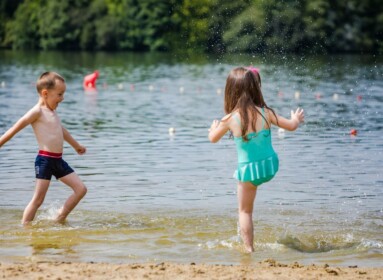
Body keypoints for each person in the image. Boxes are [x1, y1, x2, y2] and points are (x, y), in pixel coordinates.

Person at [208, 66, 304, 252]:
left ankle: (249, 248)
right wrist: (296, 118)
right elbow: (291, 126)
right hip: (270, 166)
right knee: (248, 204)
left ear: (230, 91)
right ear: (255, 88)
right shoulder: (266, 112)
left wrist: (213, 129)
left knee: (245, 211)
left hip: (249, 172)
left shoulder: (229, 119)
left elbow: (213, 139)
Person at [0, 72, 87, 225]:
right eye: (59, 94)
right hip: (45, 160)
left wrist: (76, 145)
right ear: (45, 93)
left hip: (58, 161)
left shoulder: (52, 111)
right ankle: (25, 228)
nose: (62, 98)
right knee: (38, 200)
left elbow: (61, 130)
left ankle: (59, 218)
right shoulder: (37, 112)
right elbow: (14, 129)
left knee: (81, 189)